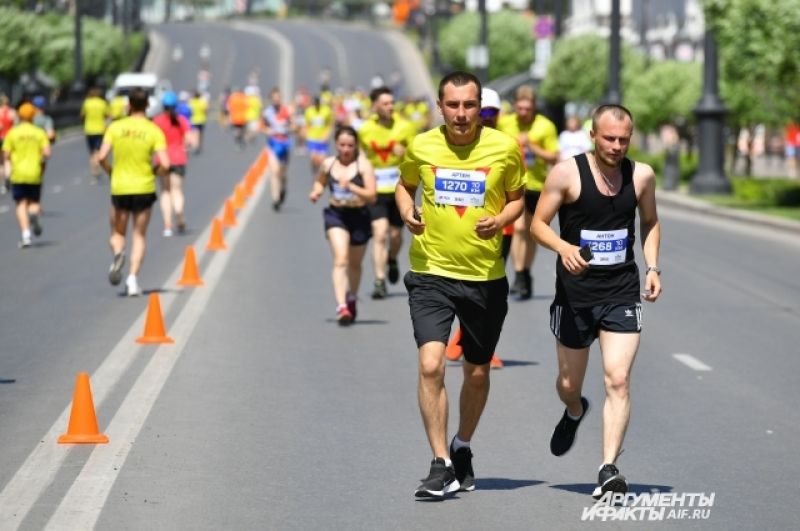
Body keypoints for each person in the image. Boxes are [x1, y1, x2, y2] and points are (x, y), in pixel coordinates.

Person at [396, 71, 524, 498]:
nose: (461, 113)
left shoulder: (504, 148)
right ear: (440, 107)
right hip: (431, 271)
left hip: (484, 277)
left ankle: (462, 443)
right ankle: (439, 462)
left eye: (469, 105)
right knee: (431, 365)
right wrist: (406, 211)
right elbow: (404, 184)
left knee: (477, 371)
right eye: (453, 105)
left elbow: (518, 198)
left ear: (479, 108)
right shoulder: (422, 145)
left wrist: (502, 219)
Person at [530, 104, 662, 499]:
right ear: (592, 135)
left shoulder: (641, 176)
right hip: (575, 295)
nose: (617, 146)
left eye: (624, 139)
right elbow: (537, 224)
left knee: (618, 379)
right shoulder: (566, 174)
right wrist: (562, 246)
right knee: (570, 383)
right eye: (609, 138)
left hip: (620, 289)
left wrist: (653, 267)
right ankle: (574, 410)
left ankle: (608, 468)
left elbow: (650, 222)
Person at [445, 87, 513, 370]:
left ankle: (478, 345)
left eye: (492, 113)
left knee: (484, 291)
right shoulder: (457, 143)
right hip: (460, 229)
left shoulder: (506, 145)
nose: (487, 118)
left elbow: (516, 192)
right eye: (483, 112)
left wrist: (503, 219)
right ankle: (465, 341)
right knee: (462, 287)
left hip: (499, 230)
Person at [97, 88, 169, 297]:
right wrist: (154, 171)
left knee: (118, 233)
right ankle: (132, 279)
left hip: (120, 187)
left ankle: (119, 253)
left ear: (128, 105)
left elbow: (101, 156)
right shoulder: (153, 130)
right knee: (139, 234)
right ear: (147, 105)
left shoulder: (116, 127)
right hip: (144, 187)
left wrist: (111, 171)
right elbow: (165, 163)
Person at [309, 126, 377, 324]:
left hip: (359, 215)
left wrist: (353, 187)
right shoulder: (329, 164)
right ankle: (341, 306)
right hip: (336, 215)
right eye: (342, 145)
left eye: (350, 145)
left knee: (355, 264)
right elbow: (320, 182)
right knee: (341, 259)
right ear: (336, 145)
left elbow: (372, 195)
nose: (346, 149)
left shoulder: (363, 166)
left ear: (356, 146)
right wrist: (316, 192)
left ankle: (352, 297)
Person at [497, 86, 559, 300]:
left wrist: (532, 146)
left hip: (538, 185)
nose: (523, 112)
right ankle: (519, 274)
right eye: (520, 108)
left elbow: (553, 156)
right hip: (514, 184)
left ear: (533, 107)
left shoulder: (545, 126)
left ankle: (525, 273)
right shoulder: (505, 123)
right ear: (515, 105)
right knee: (519, 228)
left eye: (528, 108)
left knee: (532, 232)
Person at [359, 86, 417, 299]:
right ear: (374, 105)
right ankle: (379, 280)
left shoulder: (405, 127)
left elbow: (417, 156)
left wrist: (406, 153)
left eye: (392, 103)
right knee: (379, 233)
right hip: (376, 189)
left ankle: (392, 258)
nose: (390, 107)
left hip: (399, 189)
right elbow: (359, 157)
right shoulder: (365, 130)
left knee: (395, 235)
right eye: (385, 103)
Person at [2, 103, 51, 248]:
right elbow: (47, 153)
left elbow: (6, 155)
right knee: (34, 202)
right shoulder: (39, 132)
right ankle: (34, 214)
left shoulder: (12, 133)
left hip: (18, 174)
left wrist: (8, 171)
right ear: (33, 116)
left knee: (20, 203)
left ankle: (26, 235)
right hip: (35, 173)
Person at [153, 91, 195, 237]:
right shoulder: (181, 120)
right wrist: (184, 145)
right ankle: (179, 214)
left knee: (165, 191)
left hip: (162, 160)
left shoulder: (157, 121)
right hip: (179, 159)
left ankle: (167, 225)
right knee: (177, 190)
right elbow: (190, 140)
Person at [263, 87, 295, 211]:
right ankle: (275, 199)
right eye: (274, 97)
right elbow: (263, 126)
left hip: (285, 143)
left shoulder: (287, 111)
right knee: (274, 171)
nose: (276, 99)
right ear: (271, 99)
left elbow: (294, 125)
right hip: (273, 144)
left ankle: (283, 188)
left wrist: (288, 128)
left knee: (282, 173)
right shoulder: (267, 112)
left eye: (278, 97)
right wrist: (268, 131)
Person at [81, 87, 110, 183]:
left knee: (92, 152)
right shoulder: (102, 103)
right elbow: (107, 115)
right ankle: (97, 168)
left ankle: (94, 170)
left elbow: (82, 115)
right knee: (98, 151)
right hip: (99, 130)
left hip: (88, 130)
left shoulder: (87, 103)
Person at [303, 96, 334, 175]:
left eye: (318, 103)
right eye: (315, 103)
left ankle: (321, 177)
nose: (316, 105)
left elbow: (330, 124)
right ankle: (314, 173)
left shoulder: (326, 111)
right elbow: (306, 124)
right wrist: (307, 135)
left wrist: (327, 135)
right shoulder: (309, 111)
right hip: (312, 138)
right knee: (313, 158)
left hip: (322, 139)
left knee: (322, 160)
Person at [0, 93, 17, 194]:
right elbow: (16, 126)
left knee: (1, 163)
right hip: (10, 139)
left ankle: (2, 184)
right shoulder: (12, 112)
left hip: (0, 138)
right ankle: (7, 181)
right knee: (8, 161)